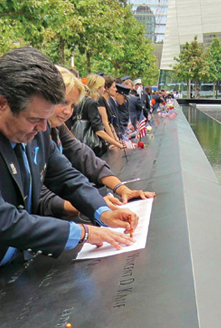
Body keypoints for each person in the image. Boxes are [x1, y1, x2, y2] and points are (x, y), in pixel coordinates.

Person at [0, 47, 137, 310]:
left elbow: (65, 175)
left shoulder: (34, 125)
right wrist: (82, 232)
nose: (43, 129)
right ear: (1, 103)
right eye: (35, 120)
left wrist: (101, 212)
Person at [38, 66, 155, 218]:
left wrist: (120, 189)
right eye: (62, 102)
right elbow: (39, 194)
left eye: (72, 106)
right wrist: (93, 208)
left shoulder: (55, 127)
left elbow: (79, 156)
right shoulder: (34, 132)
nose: (67, 112)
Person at [72, 74, 124, 153]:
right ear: (97, 88)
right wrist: (117, 144)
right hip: (91, 146)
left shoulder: (81, 101)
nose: (104, 89)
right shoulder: (92, 103)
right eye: (102, 87)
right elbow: (99, 130)